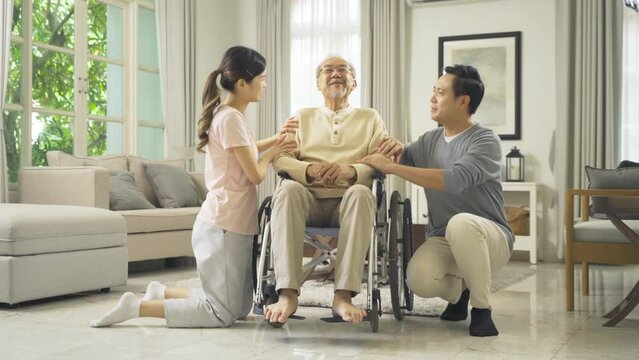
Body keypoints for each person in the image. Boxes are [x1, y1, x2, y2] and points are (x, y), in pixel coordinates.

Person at [90, 46, 297, 328]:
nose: (265, 84)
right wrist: (276, 151)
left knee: (239, 307)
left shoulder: (231, 116)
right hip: (223, 225)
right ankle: (138, 306)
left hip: (232, 223)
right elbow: (255, 174)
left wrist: (275, 139)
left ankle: (162, 293)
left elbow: (244, 150)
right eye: (262, 78)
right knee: (220, 313)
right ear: (241, 83)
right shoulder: (231, 118)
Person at [360, 64, 514, 337]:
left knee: (461, 224)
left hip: (490, 238)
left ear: (462, 101)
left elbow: (455, 179)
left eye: (440, 93)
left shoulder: (485, 140)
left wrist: (394, 167)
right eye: (433, 91)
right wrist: (396, 151)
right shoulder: (430, 140)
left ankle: (481, 309)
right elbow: (402, 157)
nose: (432, 98)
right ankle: (461, 292)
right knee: (418, 279)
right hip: (443, 238)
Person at [263, 56, 390, 326]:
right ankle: (287, 294)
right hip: (308, 201)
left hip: (349, 201)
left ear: (354, 83)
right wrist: (308, 171)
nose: (335, 74)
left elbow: (382, 161)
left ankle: (342, 296)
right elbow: (281, 159)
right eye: (327, 70)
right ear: (318, 83)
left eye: (343, 70)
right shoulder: (301, 116)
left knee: (361, 192)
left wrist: (351, 171)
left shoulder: (370, 118)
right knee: (286, 190)